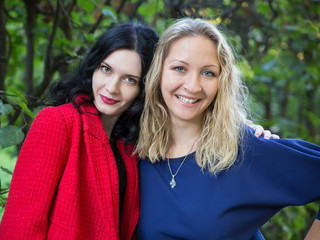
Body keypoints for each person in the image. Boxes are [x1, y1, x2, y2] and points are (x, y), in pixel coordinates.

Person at [135, 18, 320, 239]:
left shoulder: (245, 149)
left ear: (221, 81)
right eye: (180, 68)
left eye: (208, 73)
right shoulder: (133, 145)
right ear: (158, 72)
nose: (193, 86)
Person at [0, 22, 159, 240]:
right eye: (106, 69)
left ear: (144, 88)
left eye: (130, 79)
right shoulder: (57, 122)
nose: (112, 87)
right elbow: (20, 226)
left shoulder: (129, 145)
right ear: (93, 67)